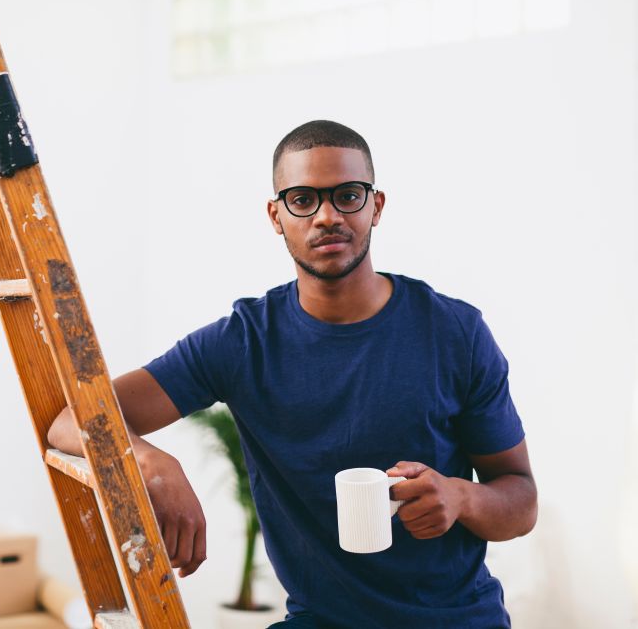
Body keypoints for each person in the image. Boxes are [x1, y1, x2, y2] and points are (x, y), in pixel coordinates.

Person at [47, 120, 537, 628]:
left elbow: (521, 499)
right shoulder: (242, 342)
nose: (327, 216)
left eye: (348, 195)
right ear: (276, 215)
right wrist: (152, 463)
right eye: (303, 199)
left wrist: (462, 496)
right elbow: (69, 420)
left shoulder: (455, 331)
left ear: (377, 206)